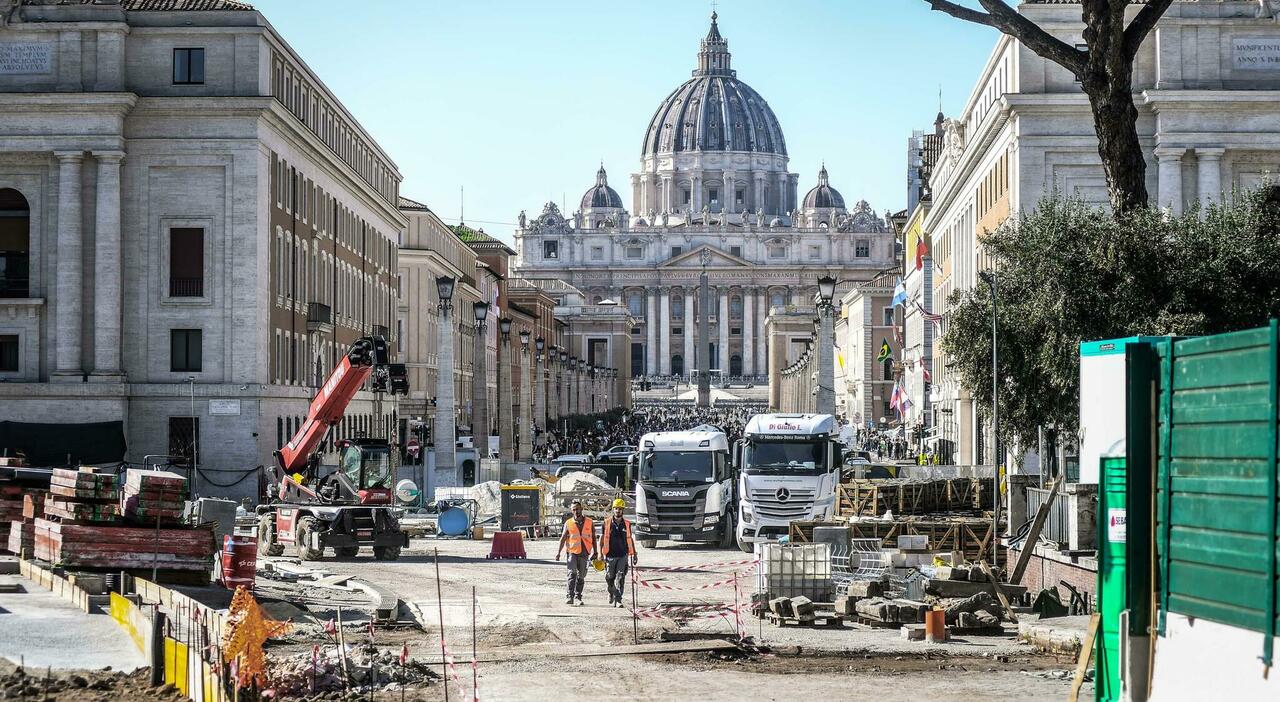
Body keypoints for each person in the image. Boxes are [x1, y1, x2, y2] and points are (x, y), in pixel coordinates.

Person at [555, 499, 597, 606]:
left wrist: (596, 552)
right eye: (573, 510)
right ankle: (570, 596)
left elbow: (593, 537)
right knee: (572, 574)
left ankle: (578, 596)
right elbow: (563, 538)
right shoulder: (568, 523)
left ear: (581, 509)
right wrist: (558, 553)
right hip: (572, 552)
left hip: (585, 553)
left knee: (581, 576)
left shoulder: (589, 522)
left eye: (577, 509)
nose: (576, 512)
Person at [600, 497, 637, 607]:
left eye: (620, 509)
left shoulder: (627, 524)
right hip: (610, 555)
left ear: (623, 510)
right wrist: (600, 554)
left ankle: (618, 599)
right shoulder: (606, 523)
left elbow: (630, 539)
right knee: (609, 577)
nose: (618, 511)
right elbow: (601, 539)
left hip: (623, 555)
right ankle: (611, 592)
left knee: (621, 577)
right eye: (616, 508)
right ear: (613, 510)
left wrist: (634, 553)